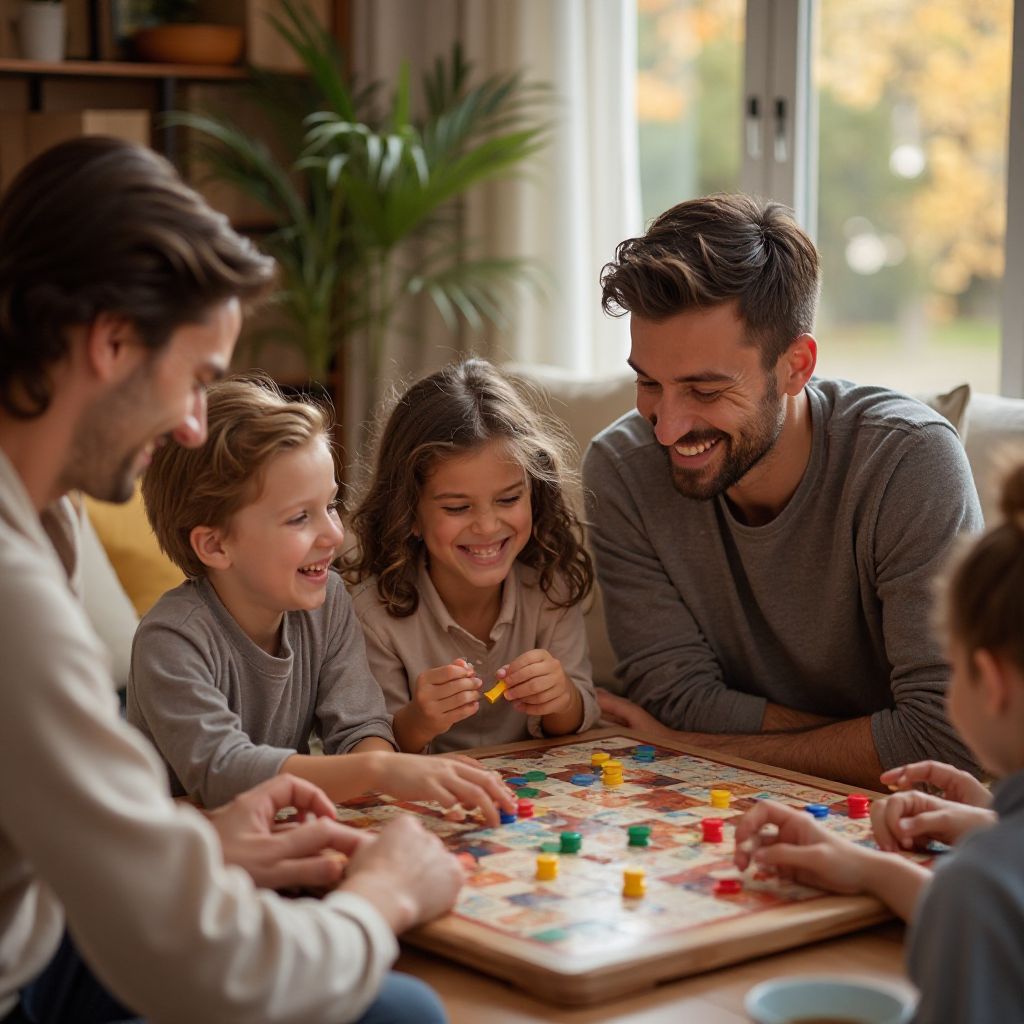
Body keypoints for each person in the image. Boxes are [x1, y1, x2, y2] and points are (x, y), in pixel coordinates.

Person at [0, 136, 466, 1023]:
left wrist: (198, 842)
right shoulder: (12, 592)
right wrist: (386, 895)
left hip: (45, 934)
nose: (187, 426)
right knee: (405, 1013)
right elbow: (212, 971)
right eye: (195, 380)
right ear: (111, 343)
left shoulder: (44, 515)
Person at [583, 193, 980, 788]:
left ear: (796, 365)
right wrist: (875, 737)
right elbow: (676, 697)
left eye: (705, 391)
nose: (666, 426)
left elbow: (946, 738)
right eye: (648, 383)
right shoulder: (621, 470)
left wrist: (691, 748)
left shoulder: (908, 461)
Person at [128, 373, 515, 817]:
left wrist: (395, 770)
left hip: (279, 831)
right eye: (299, 518)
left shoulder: (327, 600)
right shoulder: (171, 640)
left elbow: (359, 730)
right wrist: (381, 771)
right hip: (182, 855)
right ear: (215, 545)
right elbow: (223, 772)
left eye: (330, 505)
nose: (334, 534)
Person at [731, 463, 1024, 1024]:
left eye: (953, 667)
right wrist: (875, 869)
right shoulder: (987, 873)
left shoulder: (981, 887)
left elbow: (985, 912)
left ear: (991, 682)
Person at [345, 358, 601, 754]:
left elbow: (576, 719)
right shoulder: (373, 614)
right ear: (409, 513)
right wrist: (419, 719)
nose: (486, 526)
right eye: (457, 508)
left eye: (509, 499)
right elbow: (377, 748)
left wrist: (562, 698)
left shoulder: (550, 587)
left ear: (534, 492)